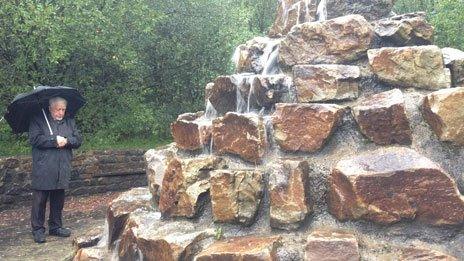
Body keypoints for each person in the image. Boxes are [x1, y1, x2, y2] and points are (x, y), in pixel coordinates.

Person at [28, 97, 83, 243]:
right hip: (44, 166)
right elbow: (34, 139)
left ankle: (56, 226)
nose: (60, 112)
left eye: (63, 109)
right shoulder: (38, 119)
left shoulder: (69, 121)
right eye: (57, 109)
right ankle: (38, 230)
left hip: (62, 166)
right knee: (40, 200)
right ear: (50, 108)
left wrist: (67, 140)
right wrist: (54, 141)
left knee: (58, 199)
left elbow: (78, 139)